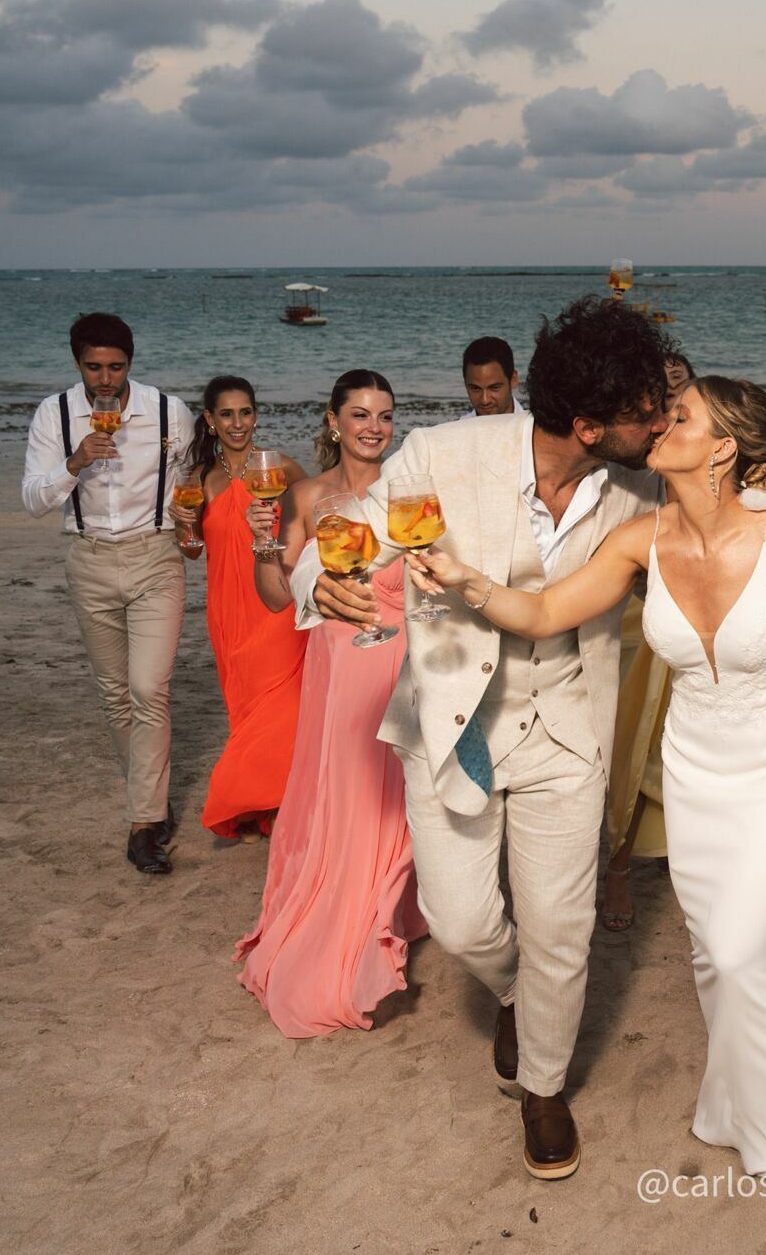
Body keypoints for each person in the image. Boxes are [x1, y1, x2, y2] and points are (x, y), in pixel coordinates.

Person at [410, 376, 766, 1178]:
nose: (660, 422)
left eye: (680, 416)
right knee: (714, 948)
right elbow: (546, 614)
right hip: (695, 771)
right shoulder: (639, 539)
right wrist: (468, 582)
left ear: (722, 448)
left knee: (738, 946)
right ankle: (741, 1098)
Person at [292, 297, 671, 1180]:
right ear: (587, 426)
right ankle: (511, 990)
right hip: (451, 724)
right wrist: (323, 582)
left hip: (567, 730)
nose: (659, 424)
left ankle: (544, 1087)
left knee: (562, 927)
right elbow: (347, 532)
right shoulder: (442, 454)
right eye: (644, 412)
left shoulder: (644, 485)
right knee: (460, 922)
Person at [231, 370, 426, 1037]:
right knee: (349, 796)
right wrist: (263, 541)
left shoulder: (408, 487)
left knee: (401, 793)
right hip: (341, 665)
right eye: (361, 414)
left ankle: (395, 909)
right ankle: (349, 921)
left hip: (404, 656)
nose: (375, 427)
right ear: (333, 420)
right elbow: (276, 597)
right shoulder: (309, 495)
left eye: (385, 415)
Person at [21, 313, 196, 875]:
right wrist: (74, 463)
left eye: (116, 367)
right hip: (88, 559)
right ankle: (152, 801)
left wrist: (191, 520)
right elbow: (33, 500)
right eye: (94, 367)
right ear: (77, 362)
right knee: (116, 695)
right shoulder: (54, 413)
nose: (105, 379)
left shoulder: (169, 412)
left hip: (155, 557)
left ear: (130, 362)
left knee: (149, 688)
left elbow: (189, 484)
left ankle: (144, 825)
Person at [169, 377, 309, 839]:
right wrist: (183, 526)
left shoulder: (278, 468)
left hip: (275, 604)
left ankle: (280, 805)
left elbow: (318, 513)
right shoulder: (199, 480)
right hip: (228, 611)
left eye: (245, 412)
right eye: (226, 414)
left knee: (282, 708)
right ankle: (260, 807)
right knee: (245, 711)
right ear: (210, 420)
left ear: (256, 415)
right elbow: (192, 551)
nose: (237, 423)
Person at [601, 350, 694, 931]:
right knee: (629, 741)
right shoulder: (623, 460)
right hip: (629, 615)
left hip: (683, 611)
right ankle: (615, 865)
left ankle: (666, 853)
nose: (664, 418)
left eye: (677, 408)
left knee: (670, 746)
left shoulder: (689, 455)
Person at [463, 336, 520, 416]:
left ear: (513, 380)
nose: (485, 400)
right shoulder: (458, 424)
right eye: (475, 388)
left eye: (494, 388)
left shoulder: (534, 423)